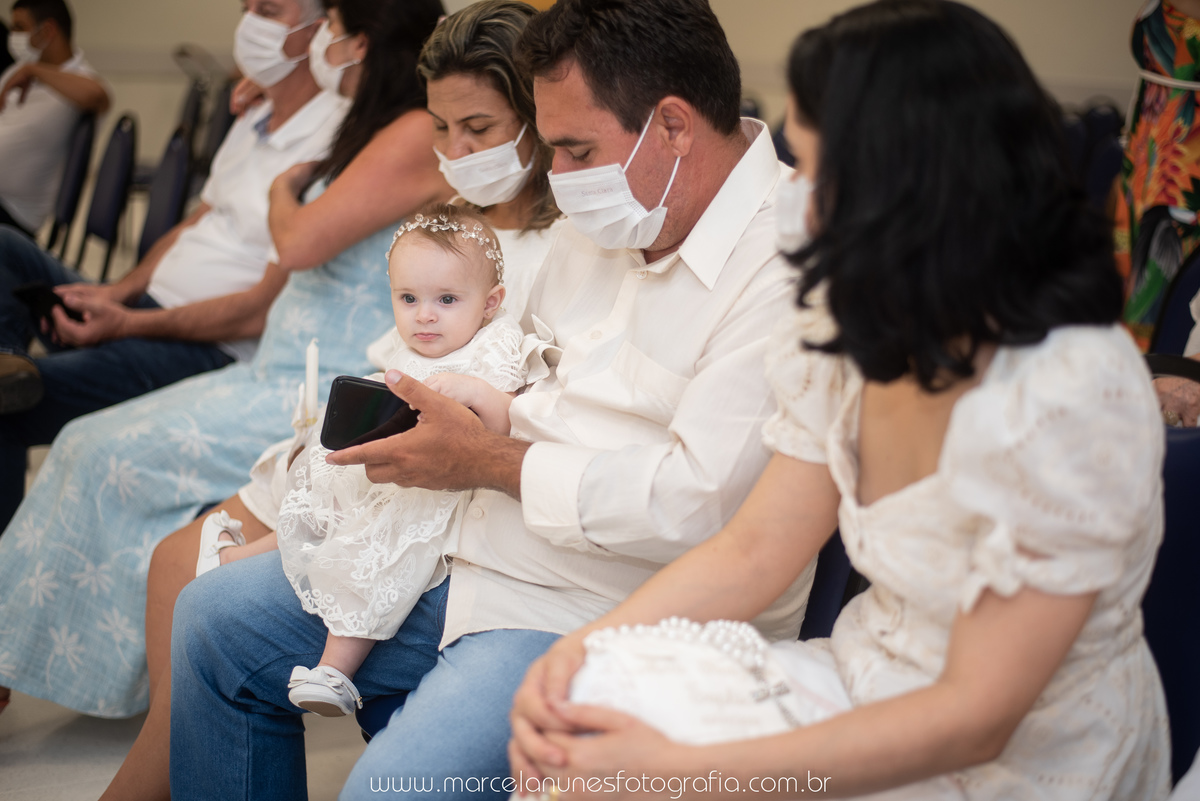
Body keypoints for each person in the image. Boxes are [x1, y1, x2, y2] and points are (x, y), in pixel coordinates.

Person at [508, 2, 1171, 798]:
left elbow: (976, 716)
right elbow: (755, 550)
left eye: (820, 178)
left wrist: (681, 770)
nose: (801, 204)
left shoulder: (1068, 394)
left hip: (1017, 751)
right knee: (590, 714)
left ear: (919, 185)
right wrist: (587, 649)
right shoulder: (849, 319)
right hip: (865, 672)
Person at [166, 1, 810, 798]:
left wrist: (489, 459)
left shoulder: (785, 271)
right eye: (552, 149)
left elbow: (698, 506)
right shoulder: (612, 209)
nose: (560, 179)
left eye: (576, 150)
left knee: (381, 792)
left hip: (598, 603)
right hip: (469, 547)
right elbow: (505, 357)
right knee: (209, 621)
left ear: (673, 126)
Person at [0, 0, 447, 727]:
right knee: (87, 441)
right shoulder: (360, 126)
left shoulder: (409, 130)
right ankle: (43, 659)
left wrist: (282, 186)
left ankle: (56, 668)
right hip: (279, 366)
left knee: (89, 445)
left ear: (362, 44)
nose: (321, 45)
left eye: (329, 28)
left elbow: (297, 244)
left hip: (321, 387)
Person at [0, 0, 345, 526]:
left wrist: (130, 322)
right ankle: (14, 363)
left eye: (268, 10)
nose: (248, 21)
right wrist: (117, 293)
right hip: (144, 308)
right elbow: (194, 223)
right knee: (5, 247)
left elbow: (256, 312)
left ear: (319, 33)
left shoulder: (333, 142)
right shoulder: (255, 113)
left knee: (7, 406)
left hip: (202, 345)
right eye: (246, 7)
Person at [209, 204, 529, 718]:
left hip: (436, 490)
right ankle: (240, 558)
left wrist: (473, 391)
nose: (424, 315)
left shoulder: (495, 345)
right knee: (323, 500)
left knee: (372, 557)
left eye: (446, 299)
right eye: (408, 298)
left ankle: (335, 670)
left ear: (490, 303)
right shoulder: (418, 348)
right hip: (392, 468)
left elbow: (507, 424)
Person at [1114, 0, 1200, 350]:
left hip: (1184, 169)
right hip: (1143, 159)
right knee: (1127, 284)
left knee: (1160, 294)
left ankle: (1149, 388)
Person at [0, 0, 110, 237]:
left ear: (48, 30)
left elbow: (99, 95)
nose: (13, 35)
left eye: (19, 27)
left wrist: (33, 71)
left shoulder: (78, 79)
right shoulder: (15, 72)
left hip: (14, 214)